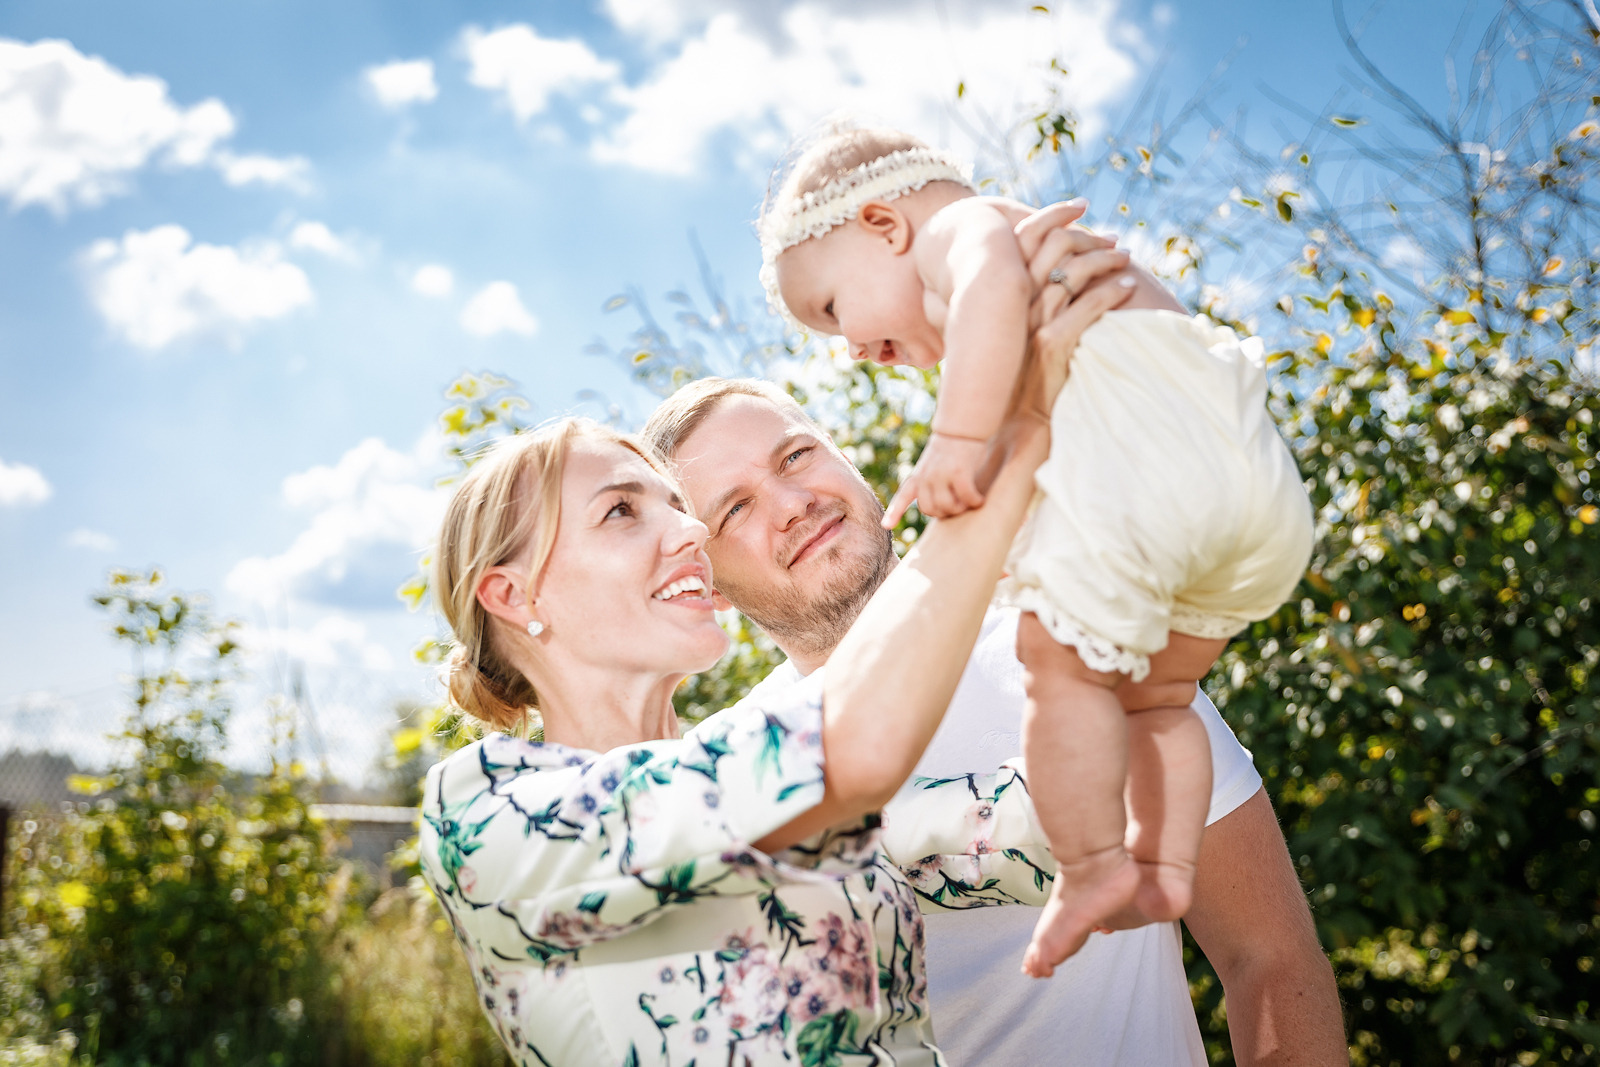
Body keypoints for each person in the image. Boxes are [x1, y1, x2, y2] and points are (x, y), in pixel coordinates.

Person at [416, 228, 1137, 1066]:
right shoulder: (488, 810)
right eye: (621, 511)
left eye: (677, 506)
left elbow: (1075, 826)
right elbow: (841, 753)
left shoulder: (782, 783)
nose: (688, 530)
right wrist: (1004, 443)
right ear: (513, 595)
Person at [642, 225, 1345, 1065]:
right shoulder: (730, 766)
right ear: (708, 581)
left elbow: (1267, 956)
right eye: (735, 509)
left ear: (850, 462)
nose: (791, 502)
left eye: (796, 455)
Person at [759, 126, 1316, 974]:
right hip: (1254, 504)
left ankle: (1095, 866)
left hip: (1166, 479)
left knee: (1048, 659)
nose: (851, 347)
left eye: (833, 308)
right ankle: (1164, 865)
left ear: (884, 224)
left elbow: (986, 295)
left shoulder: (963, 233)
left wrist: (956, 440)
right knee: (1156, 696)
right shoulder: (1028, 271)